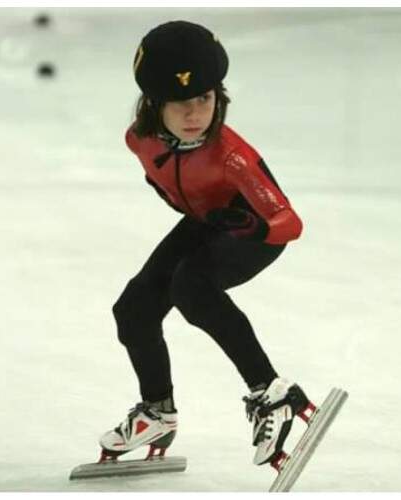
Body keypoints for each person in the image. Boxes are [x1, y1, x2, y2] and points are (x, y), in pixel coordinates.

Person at [98, 20, 315, 470]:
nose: (196, 113)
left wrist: (247, 224)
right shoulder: (138, 140)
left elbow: (289, 224)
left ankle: (270, 393)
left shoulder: (233, 156)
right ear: (155, 104)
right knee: (133, 310)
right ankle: (157, 411)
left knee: (191, 287)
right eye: (181, 103)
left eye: (205, 99)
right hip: (206, 222)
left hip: (251, 232)